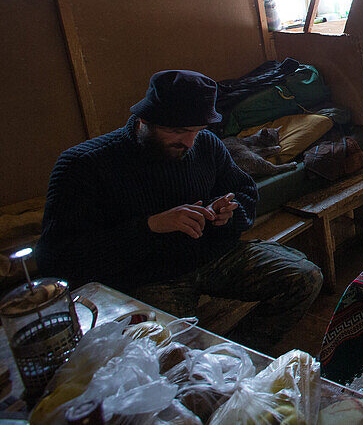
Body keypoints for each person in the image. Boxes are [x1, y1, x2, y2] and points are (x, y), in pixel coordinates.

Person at [37, 70, 323, 355]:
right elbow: (56, 259)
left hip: (213, 256)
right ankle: (200, 365)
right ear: (144, 120)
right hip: (149, 276)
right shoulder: (84, 165)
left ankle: (234, 356)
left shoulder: (206, 144)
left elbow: (244, 191)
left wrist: (227, 214)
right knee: (165, 356)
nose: (188, 142)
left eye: (195, 130)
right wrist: (149, 227)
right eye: (176, 131)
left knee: (305, 278)